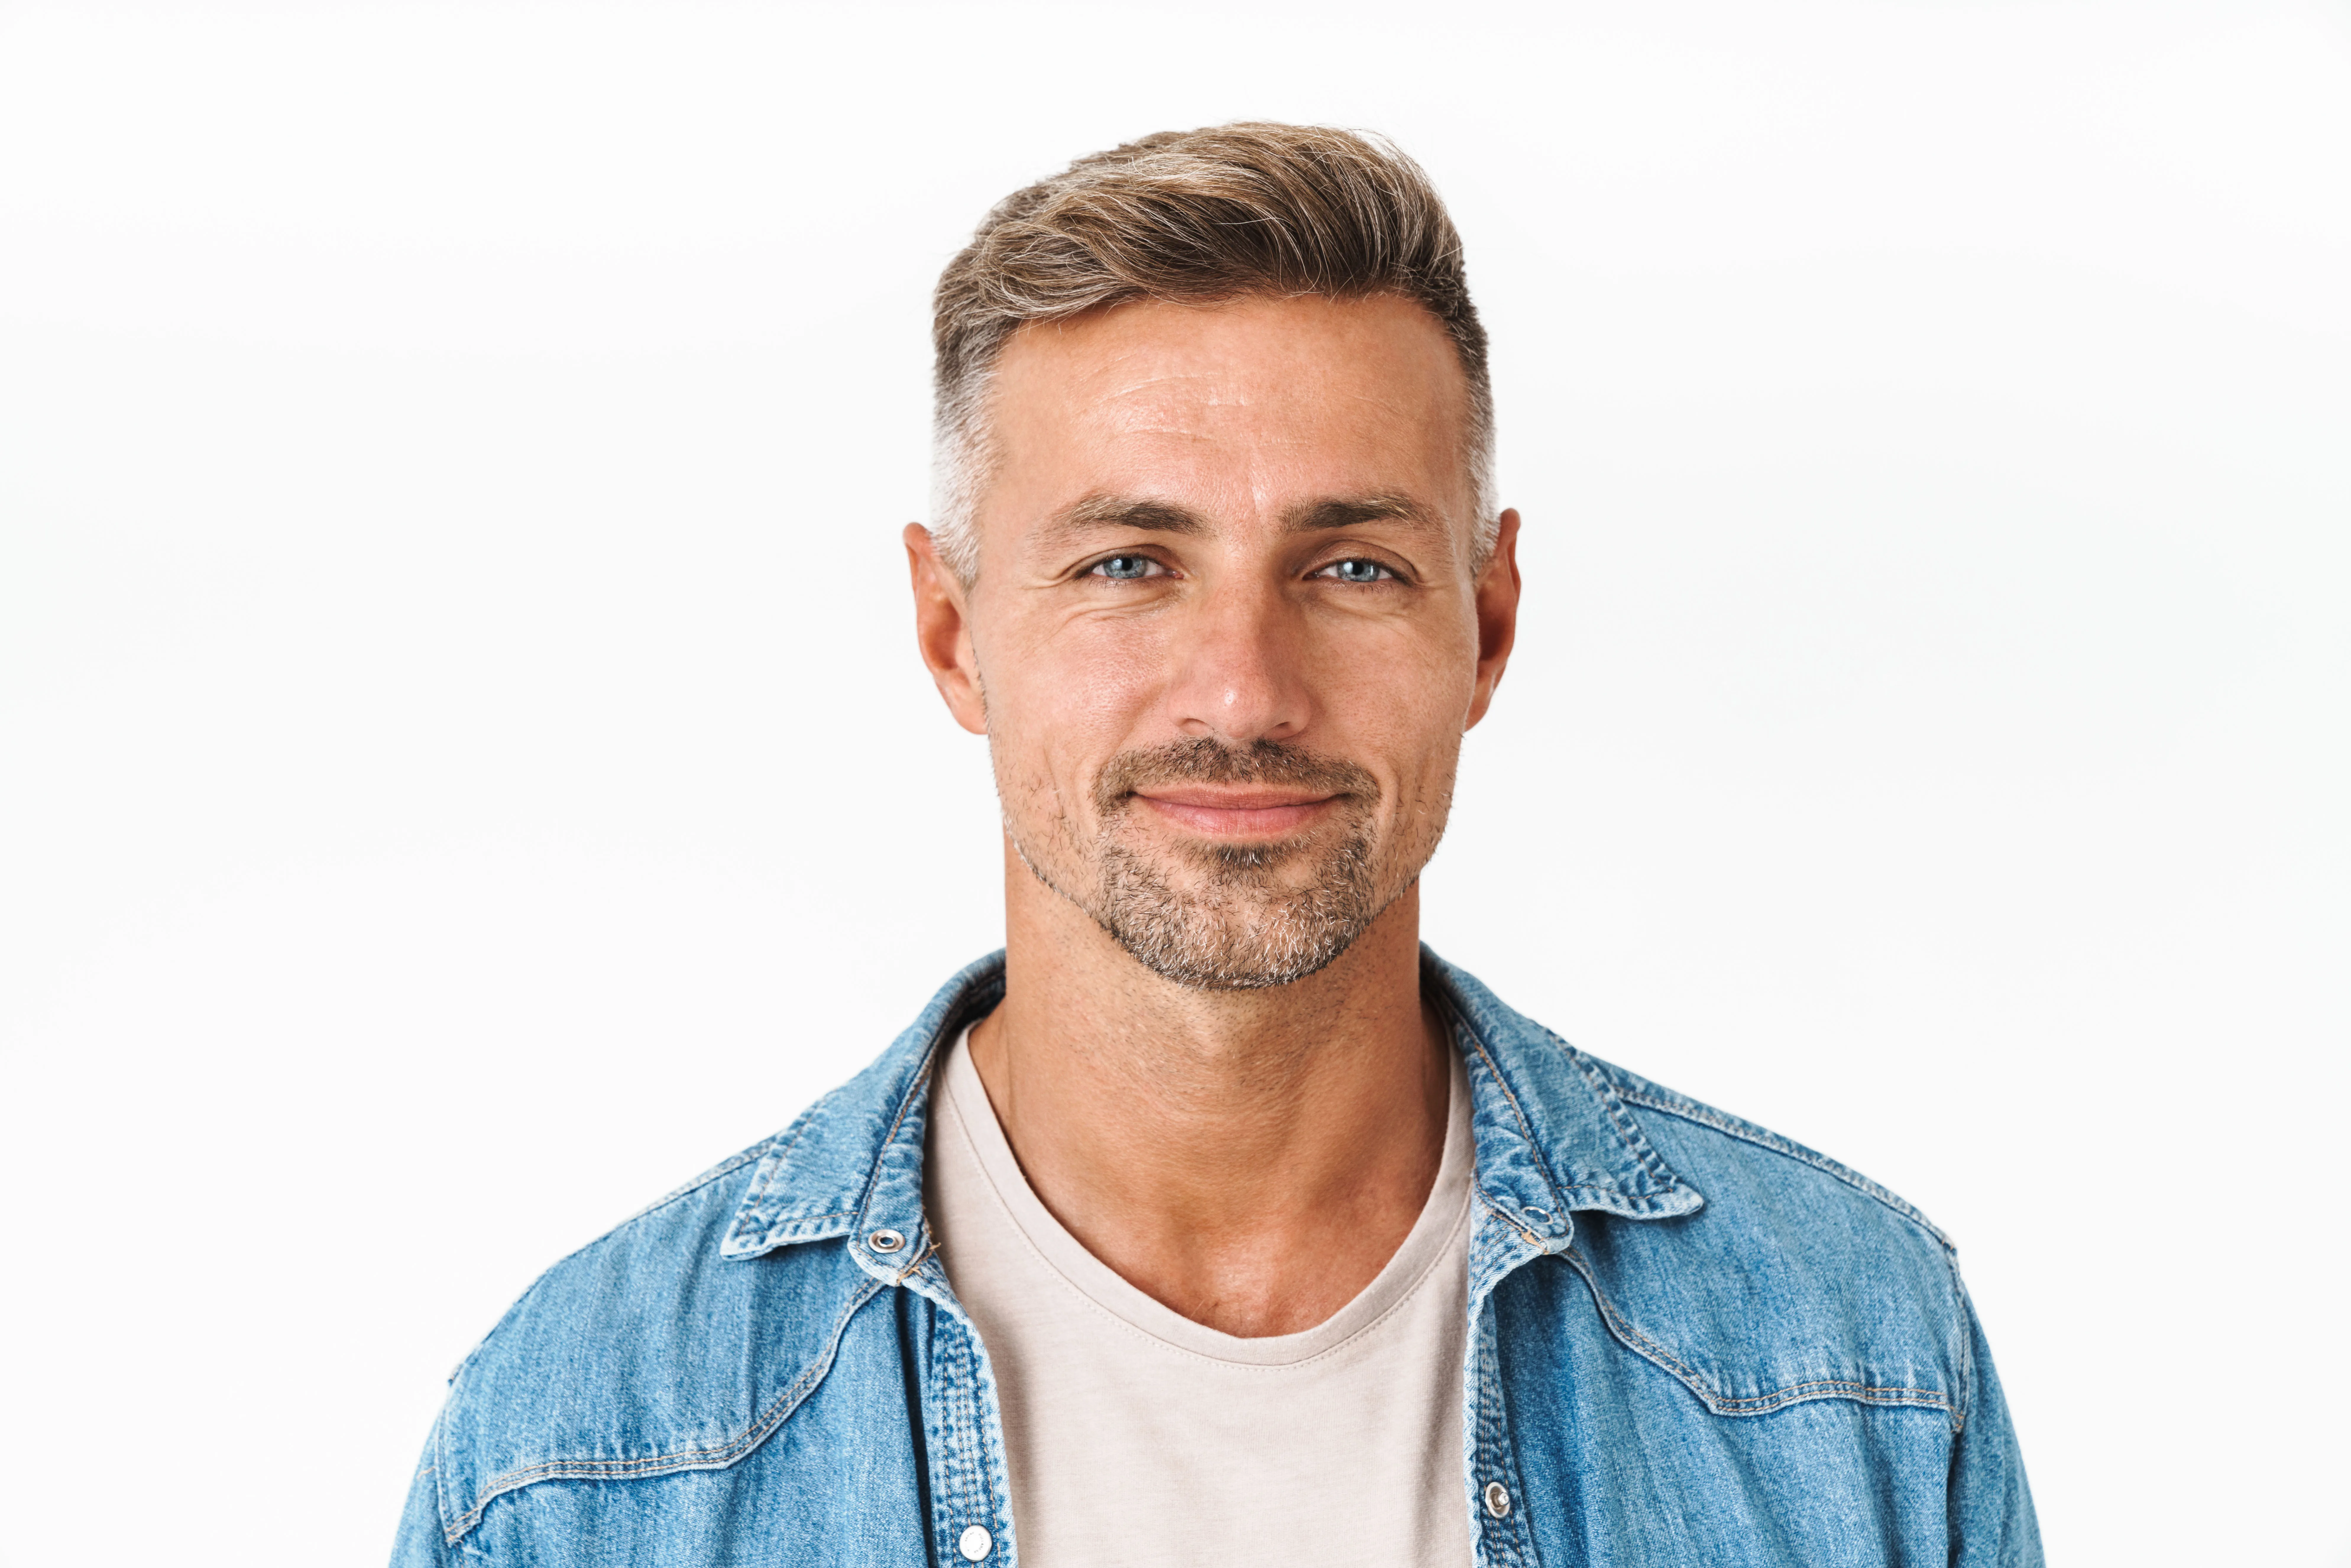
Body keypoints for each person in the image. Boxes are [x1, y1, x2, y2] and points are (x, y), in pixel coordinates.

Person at [392, 122, 2040, 1568]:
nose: (1245, 690)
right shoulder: (583, 1452)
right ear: (955, 631)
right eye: (1126, 565)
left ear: (1486, 621)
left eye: (1351, 568)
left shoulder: (1854, 1362)